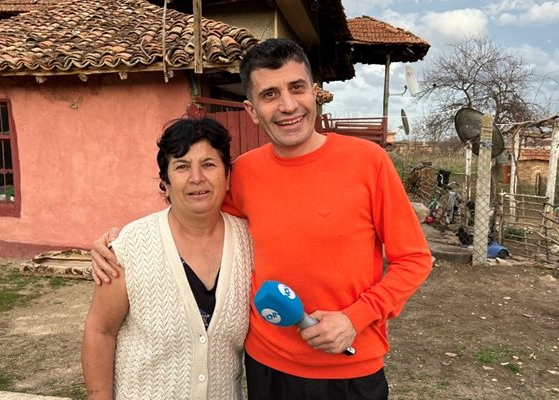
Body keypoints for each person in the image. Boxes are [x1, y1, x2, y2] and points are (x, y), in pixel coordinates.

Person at [91, 38, 432, 399]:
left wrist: (355, 317)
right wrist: (119, 239)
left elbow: (414, 259)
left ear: (315, 93)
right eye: (270, 94)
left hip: (351, 369)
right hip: (266, 367)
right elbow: (189, 207)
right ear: (252, 110)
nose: (288, 105)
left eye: (296, 87)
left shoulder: (368, 162)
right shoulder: (243, 173)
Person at [81, 117, 252, 400]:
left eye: (209, 164)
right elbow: (100, 331)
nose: (197, 177)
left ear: (227, 177)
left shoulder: (248, 243)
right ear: (166, 182)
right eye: (182, 166)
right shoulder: (131, 245)